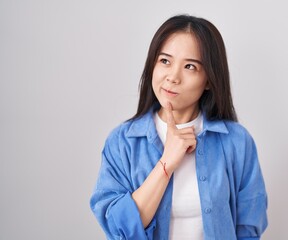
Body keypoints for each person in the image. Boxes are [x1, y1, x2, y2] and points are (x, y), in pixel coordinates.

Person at [90, 14, 268, 240]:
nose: (173, 77)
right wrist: (167, 162)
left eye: (190, 66)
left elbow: (249, 228)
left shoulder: (237, 142)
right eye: (165, 61)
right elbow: (119, 230)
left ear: (209, 80)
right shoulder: (122, 142)